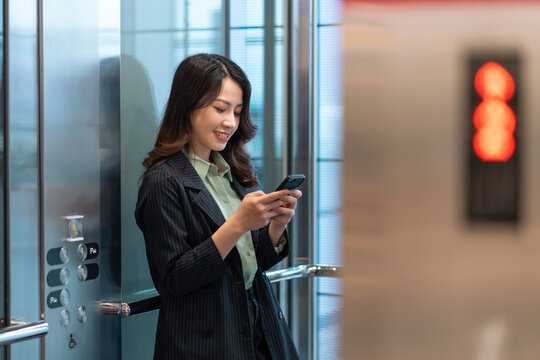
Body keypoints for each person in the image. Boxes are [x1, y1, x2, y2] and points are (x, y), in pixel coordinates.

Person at [135, 53, 302, 360]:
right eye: (220, 109)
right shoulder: (162, 182)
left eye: (237, 112)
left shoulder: (226, 172)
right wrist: (238, 224)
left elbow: (247, 265)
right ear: (188, 106)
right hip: (206, 344)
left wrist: (276, 224)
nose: (231, 122)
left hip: (256, 330)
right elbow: (174, 279)